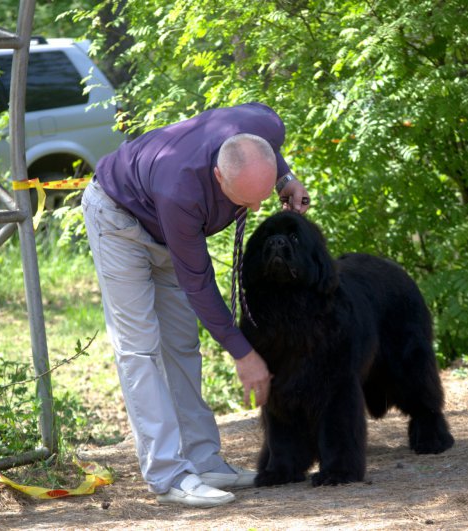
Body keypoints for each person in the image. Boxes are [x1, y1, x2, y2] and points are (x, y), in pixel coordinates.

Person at [81, 102, 309, 508]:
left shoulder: (267, 125)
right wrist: (244, 353)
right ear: (218, 176)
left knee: (182, 344)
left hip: (166, 227)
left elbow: (264, 154)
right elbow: (198, 284)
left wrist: (285, 179)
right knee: (140, 349)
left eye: (260, 199)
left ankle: (205, 462)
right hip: (119, 220)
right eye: (245, 201)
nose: (256, 210)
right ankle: (168, 475)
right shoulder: (181, 192)